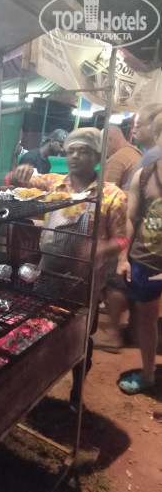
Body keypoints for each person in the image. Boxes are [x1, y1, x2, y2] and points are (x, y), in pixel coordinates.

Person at [5, 127, 128, 411]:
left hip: (85, 280)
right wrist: (18, 172)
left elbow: (122, 238)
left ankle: (76, 390)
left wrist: (102, 249)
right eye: (71, 150)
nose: (74, 156)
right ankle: (36, 388)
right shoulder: (53, 183)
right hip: (48, 272)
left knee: (80, 338)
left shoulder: (112, 195)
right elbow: (10, 181)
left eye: (83, 151)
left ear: (97, 156)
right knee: (38, 331)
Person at [118, 113, 162, 395]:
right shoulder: (144, 175)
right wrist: (123, 258)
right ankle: (148, 373)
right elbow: (130, 219)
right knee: (146, 320)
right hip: (148, 260)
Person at [93, 125, 141, 352]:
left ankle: (113, 335)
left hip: (121, 228)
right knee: (126, 279)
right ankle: (132, 330)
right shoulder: (135, 153)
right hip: (139, 228)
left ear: (110, 139)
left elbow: (105, 198)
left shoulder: (116, 160)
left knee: (114, 280)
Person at [103, 125, 142, 189]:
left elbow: (107, 192)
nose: (103, 150)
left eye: (103, 145)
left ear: (110, 139)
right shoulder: (136, 152)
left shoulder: (116, 159)